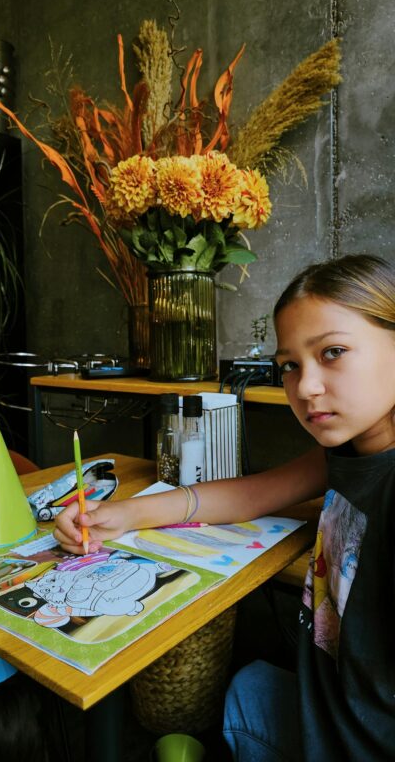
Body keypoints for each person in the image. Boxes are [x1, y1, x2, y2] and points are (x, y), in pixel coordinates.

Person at [54, 253, 395, 761]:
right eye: (289, 366)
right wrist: (124, 515)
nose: (304, 388)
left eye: (334, 352)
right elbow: (253, 493)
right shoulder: (346, 451)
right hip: (328, 698)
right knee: (247, 687)